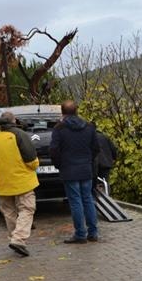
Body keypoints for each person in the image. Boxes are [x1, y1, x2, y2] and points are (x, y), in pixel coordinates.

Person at [0, 112, 39, 257]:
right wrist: (35, 166)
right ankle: (19, 239)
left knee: (9, 212)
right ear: (13, 121)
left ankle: (15, 238)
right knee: (27, 208)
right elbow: (31, 159)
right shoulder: (19, 134)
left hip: (1, 183)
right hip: (22, 181)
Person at [50, 100, 100, 244]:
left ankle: (80, 234)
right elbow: (96, 148)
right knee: (88, 199)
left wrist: (59, 165)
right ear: (77, 110)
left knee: (76, 202)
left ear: (62, 112)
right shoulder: (89, 127)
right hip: (86, 169)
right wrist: (88, 160)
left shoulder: (59, 129)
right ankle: (93, 232)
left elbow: (54, 150)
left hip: (69, 169)